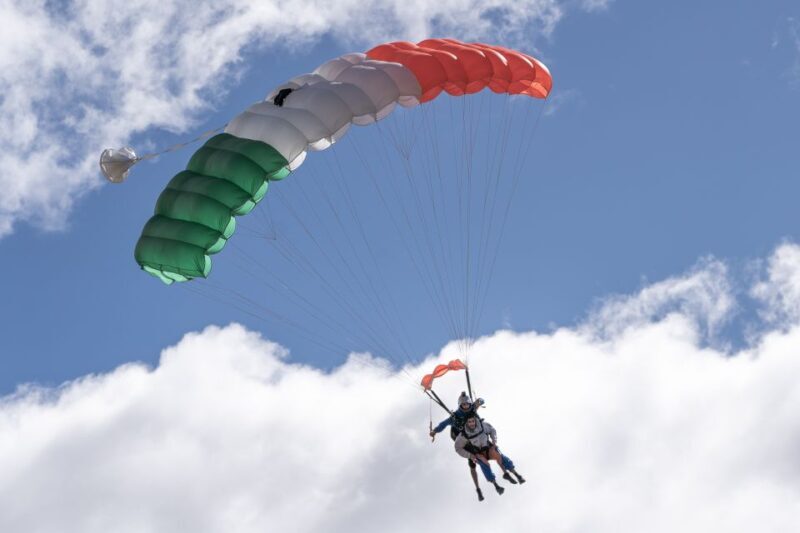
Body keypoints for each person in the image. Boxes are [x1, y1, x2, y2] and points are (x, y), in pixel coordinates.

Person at [429, 392, 486, 500]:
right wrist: (435, 431)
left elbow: (482, 401)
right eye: (463, 405)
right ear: (460, 405)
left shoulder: (473, 408)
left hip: (474, 434)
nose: (466, 406)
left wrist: (480, 401)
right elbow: (443, 424)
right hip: (461, 437)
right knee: (472, 460)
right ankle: (478, 488)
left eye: (467, 404)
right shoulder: (455, 417)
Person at [454, 415, 525, 496]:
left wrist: (494, 442)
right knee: (484, 464)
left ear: (475, 420)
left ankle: (516, 474)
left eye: (473, 421)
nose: (472, 423)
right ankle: (496, 486)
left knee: (499, 456)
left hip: (488, 449)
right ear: (466, 423)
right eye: (469, 422)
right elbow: (458, 448)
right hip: (479, 454)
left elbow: (492, 430)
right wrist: (471, 456)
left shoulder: (482, 425)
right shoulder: (464, 434)